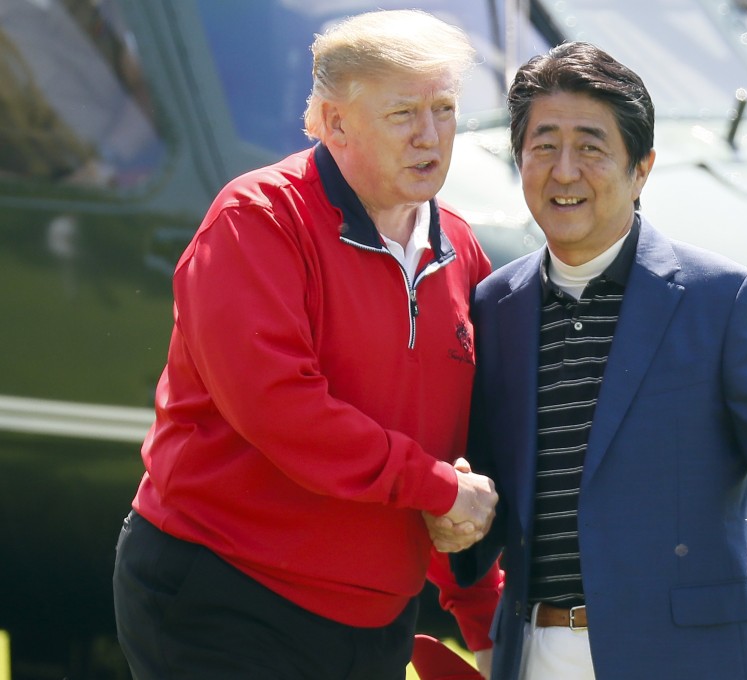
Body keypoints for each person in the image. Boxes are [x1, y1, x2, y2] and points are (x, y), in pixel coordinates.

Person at [440, 42, 747, 680]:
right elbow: (489, 481)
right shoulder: (494, 304)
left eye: (591, 147)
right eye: (544, 146)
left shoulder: (721, 299)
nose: (564, 171)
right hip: (535, 651)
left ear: (642, 168)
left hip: (690, 656)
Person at [112, 10, 500, 679]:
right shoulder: (257, 221)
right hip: (227, 597)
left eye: (444, 108)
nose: (430, 135)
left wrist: (485, 619)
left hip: (376, 621)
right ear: (332, 121)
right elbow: (283, 411)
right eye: (404, 112)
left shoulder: (460, 250)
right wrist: (435, 489)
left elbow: (462, 449)